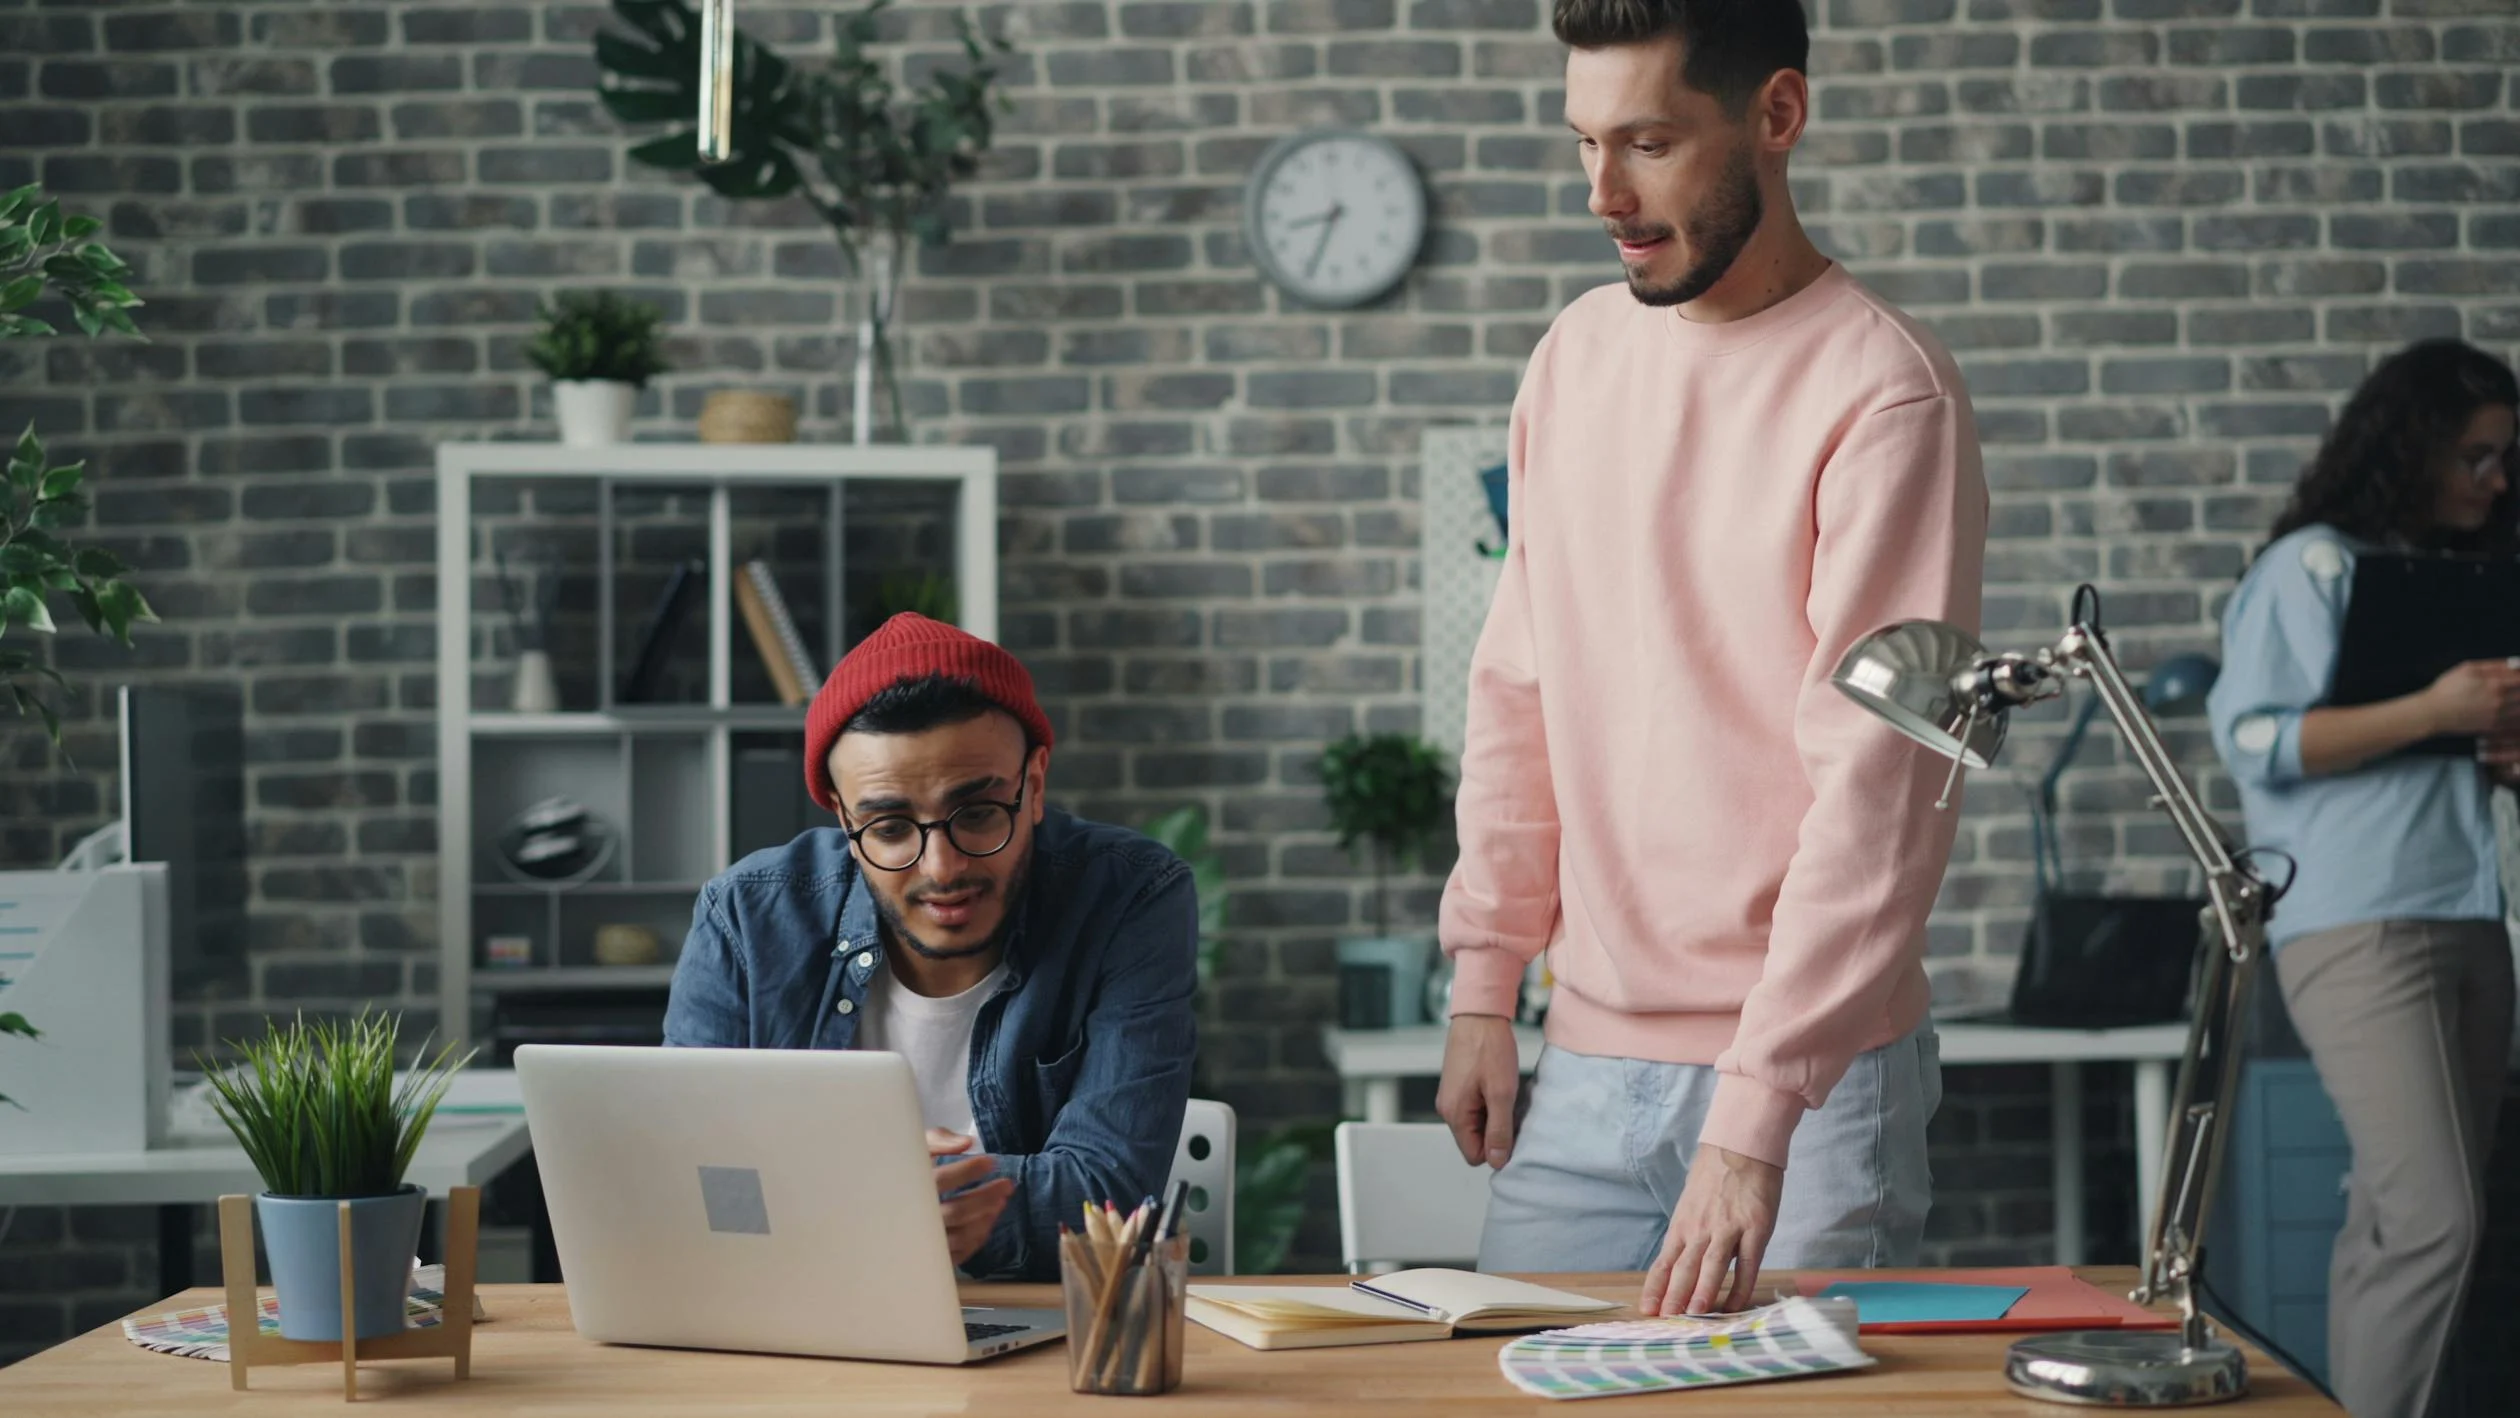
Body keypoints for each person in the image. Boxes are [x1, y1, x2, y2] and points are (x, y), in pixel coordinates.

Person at [1435, 0, 1988, 1317]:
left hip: (1812, 1085)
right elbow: (1519, 688)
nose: (1604, 193)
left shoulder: (1885, 391)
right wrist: (1482, 980)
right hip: (1583, 1063)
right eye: (1583, 143)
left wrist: (1753, 1125)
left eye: (1650, 143)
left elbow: (1881, 787)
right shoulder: (1575, 355)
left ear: (1777, 117)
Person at [663, 612, 1199, 1282]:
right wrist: (883, 1192)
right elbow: (688, 1179)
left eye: (976, 814)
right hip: (798, 1323)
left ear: (1033, 785)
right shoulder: (746, 915)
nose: (941, 868)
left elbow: (1108, 1188)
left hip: (1046, 1337)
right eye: (889, 826)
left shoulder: (1130, 895)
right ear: (842, 815)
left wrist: (829, 1192)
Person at [2206, 338, 2520, 1418]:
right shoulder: (2312, 567)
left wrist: (2495, 745)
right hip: (2362, 927)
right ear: (2413, 446)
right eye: (2477, 455)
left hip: (2469, 915)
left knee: (2398, 1217)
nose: (2498, 480)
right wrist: (2437, 710)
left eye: (2506, 457)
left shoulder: (2448, 583)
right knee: (2437, 1216)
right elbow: (2253, 737)